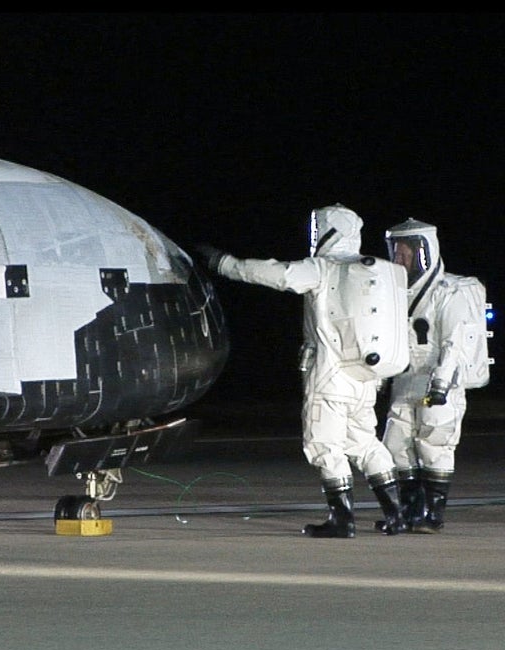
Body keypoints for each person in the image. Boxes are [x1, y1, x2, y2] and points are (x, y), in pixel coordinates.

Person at [195, 203, 408, 538]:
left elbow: (277, 274)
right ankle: (397, 515)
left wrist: (225, 264)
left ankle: (342, 520)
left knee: (323, 445)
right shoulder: (366, 273)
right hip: (365, 380)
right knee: (365, 444)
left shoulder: (324, 268)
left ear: (327, 231)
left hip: (329, 377)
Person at [380, 218, 474, 533]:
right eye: (396, 252)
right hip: (406, 379)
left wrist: (441, 384)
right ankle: (411, 512)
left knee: (434, 445)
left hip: (438, 380)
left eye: (406, 253)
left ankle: (433, 516)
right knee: (395, 445)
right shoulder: (394, 293)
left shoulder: (448, 293)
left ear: (424, 252)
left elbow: (453, 342)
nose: (399, 259)